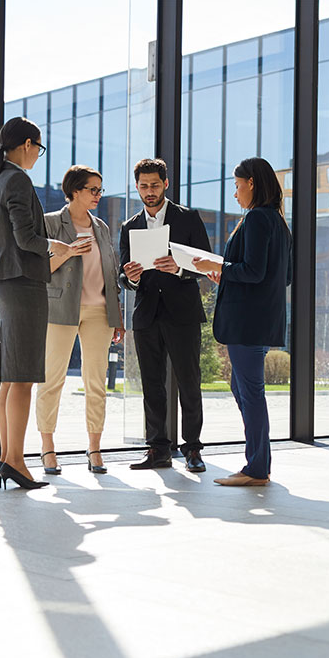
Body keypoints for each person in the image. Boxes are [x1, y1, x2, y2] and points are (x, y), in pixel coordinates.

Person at [0, 117, 74, 490]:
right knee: (22, 379)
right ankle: (16, 460)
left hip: (5, 284)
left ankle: (8, 458)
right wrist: (57, 246)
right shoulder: (17, 178)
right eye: (39, 147)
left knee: (10, 377)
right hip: (22, 285)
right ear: (27, 144)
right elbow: (25, 237)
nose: (38, 154)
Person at [193, 157, 292, 486]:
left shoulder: (257, 220)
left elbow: (253, 271)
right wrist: (228, 276)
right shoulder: (278, 222)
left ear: (251, 183)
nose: (235, 194)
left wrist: (217, 265)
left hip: (249, 322)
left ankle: (257, 469)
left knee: (250, 392)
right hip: (262, 319)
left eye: (237, 186)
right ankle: (258, 462)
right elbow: (280, 277)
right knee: (244, 387)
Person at [119, 158, 212, 472]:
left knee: (189, 382)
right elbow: (123, 276)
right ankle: (158, 450)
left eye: (154, 185)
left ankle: (193, 450)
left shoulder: (188, 218)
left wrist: (180, 268)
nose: (149, 191)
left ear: (166, 184)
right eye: (143, 186)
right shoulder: (129, 226)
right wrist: (130, 276)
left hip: (182, 313)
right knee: (151, 385)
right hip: (147, 315)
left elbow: (205, 263)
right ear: (137, 187)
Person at [36, 165, 125, 475]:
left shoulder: (101, 227)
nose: (98, 195)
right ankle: (47, 448)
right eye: (93, 189)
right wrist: (68, 252)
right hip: (60, 311)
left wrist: (118, 316)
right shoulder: (49, 223)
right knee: (52, 381)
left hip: (100, 312)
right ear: (74, 190)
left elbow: (110, 273)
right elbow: (38, 270)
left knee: (96, 382)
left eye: (100, 190)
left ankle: (95, 449)